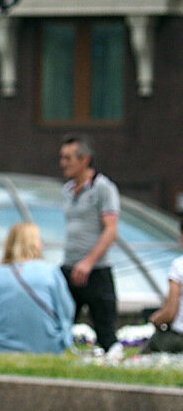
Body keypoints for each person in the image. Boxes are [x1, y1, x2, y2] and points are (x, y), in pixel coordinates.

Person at [59, 135, 120, 352]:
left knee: (105, 331)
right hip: (69, 267)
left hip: (96, 270)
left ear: (84, 160)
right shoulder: (66, 190)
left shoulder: (103, 188)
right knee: (62, 323)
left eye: (68, 158)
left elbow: (111, 230)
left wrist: (88, 262)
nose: (63, 163)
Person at [0, 223, 75, 353]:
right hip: (47, 346)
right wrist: (66, 341)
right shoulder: (50, 272)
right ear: (36, 244)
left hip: (3, 347)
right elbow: (66, 310)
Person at [141, 219, 183, 354]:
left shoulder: (179, 265)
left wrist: (155, 319)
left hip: (179, 338)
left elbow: (170, 313)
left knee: (153, 345)